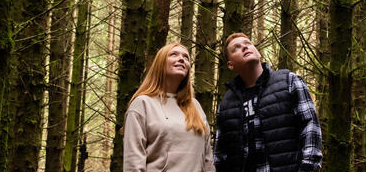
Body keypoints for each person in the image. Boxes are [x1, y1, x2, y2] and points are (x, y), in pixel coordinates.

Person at [212, 33, 322, 171]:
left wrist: (307, 167)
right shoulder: (226, 104)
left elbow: (310, 126)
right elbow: (220, 154)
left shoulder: (289, 81)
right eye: (236, 48)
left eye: (248, 43)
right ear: (230, 65)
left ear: (258, 52)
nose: (245, 47)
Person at [121, 43, 215, 172]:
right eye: (174, 54)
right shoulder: (142, 104)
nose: (181, 59)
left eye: (186, 57)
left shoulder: (195, 106)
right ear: (160, 63)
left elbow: (208, 159)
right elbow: (133, 162)